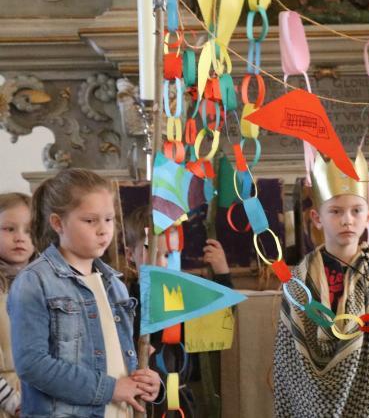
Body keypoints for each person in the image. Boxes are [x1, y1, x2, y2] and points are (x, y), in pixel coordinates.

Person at [8, 169, 160, 417]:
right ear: (58, 223)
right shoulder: (34, 281)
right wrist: (110, 389)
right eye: (90, 221)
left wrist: (146, 382)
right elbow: (32, 365)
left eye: (109, 219)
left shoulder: (116, 284)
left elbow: (119, 358)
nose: (103, 230)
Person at [273, 151, 369, 417]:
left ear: (368, 216)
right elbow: (289, 347)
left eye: (356, 211)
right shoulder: (302, 276)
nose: (347, 219)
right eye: (336, 211)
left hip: (368, 386)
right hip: (310, 394)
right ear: (317, 218)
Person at [123, 205, 233, 418]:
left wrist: (222, 273)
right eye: (153, 254)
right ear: (130, 255)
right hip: (142, 400)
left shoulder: (188, 296)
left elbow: (219, 324)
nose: (162, 264)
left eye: (169, 255)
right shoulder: (126, 301)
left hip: (184, 400)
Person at [0, 193, 36, 416]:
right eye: (9, 229)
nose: (20, 238)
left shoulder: (45, 285)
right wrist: (12, 401)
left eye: (29, 230)